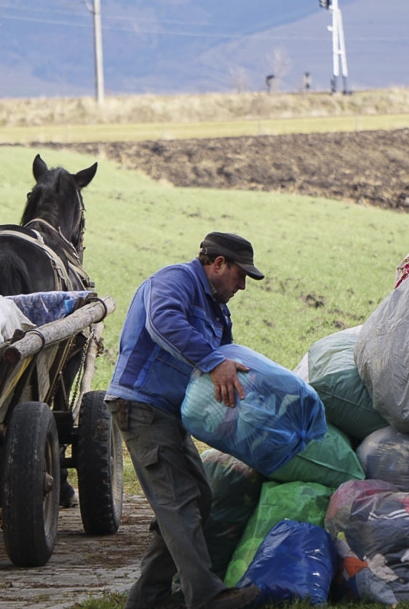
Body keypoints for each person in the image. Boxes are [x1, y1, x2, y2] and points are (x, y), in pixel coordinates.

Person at [106, 232, 266, 609]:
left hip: (170, 415)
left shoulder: (217, 310)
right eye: (240, 275)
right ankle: (206, 597)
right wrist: (214, 363)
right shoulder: (174, 281)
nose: (242, 286)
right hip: (141, 406)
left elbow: (226, 363)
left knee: (198, 497)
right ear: (218, 264)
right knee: (178, 502)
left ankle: (149, 598)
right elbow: (163, 323)